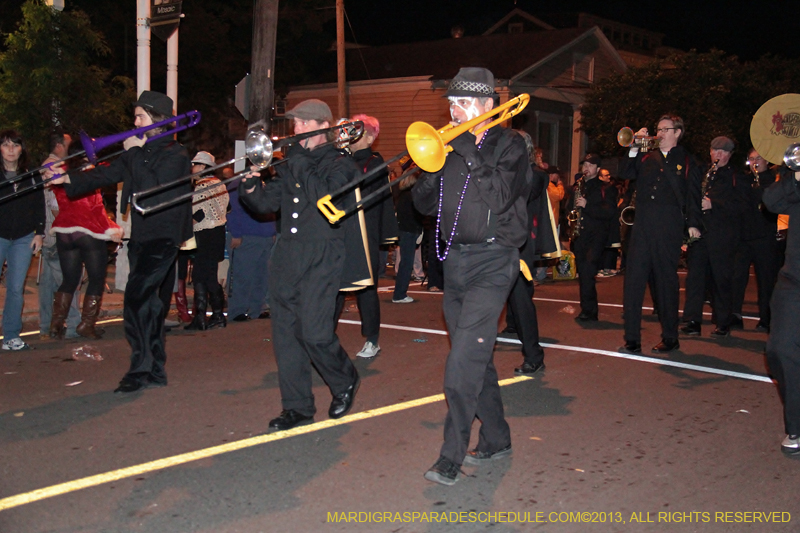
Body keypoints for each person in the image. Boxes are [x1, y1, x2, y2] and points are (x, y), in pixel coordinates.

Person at [412, 68, 531, 485]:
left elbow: (500, 195)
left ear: (486, 107)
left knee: (461, 362)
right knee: (476, 358)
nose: (453, 111)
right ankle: (497, 436)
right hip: (455, 261)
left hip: (496, 260)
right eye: (451, 104)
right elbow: (423, 205)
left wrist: (469, 151)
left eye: (461, 104)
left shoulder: (512, 146)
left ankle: (450, 455)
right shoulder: (451, 147)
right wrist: (430, 167)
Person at [48, 91, 192, 392]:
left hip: (164, 237)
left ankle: (138, 370)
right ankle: (155, 369)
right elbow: (106, 175)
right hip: (141, 236)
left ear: (159, 120)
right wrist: (67, 179)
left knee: (135, 300)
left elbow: (154, 187)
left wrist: (136, 152)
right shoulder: (136, 153)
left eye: (140, 116)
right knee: (151, 305)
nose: (134, 122)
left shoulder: (176, 155)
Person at [238, 99, 368, 432]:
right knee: (285, 335)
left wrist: (297, 163)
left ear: (321, 127)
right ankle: (297, 407)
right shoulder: (293, 162)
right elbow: (268, 204)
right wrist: (252, 186)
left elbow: (324, 196)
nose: (294, 131)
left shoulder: (341, 163)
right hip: (287, 254)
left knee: (314, 332)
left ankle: (343, 379)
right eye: (294, 125)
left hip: (323, 254)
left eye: (301, 125)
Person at [618, 115, 703, 353]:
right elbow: (625, 172)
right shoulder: (645, 156)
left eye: (665, 130)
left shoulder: (688, 161)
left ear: (677, 132)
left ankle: (670, 336)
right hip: (643, 224)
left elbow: (693, 196)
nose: (660, 133)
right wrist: (634, 145)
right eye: (658, 129)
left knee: (667, 283)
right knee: (633, 281)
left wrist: (694, 223)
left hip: (669, 226)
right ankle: (632, 338)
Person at [334, 114, 399, 359]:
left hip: (364, 232)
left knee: (366, 288)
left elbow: (366, 192)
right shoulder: (342, 159)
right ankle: (324, 337)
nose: (351, 136)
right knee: (335, 287)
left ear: (370, 136)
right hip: (341, 230)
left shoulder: (374, 162)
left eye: (356, 131)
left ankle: (372, 339)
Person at [49, 145, 123, 339]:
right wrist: (112, 228)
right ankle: (86, 325)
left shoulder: (63, 176)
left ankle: (56, 323)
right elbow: (96, 210)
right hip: (87, 232)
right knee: (97, 279)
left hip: (64, 231)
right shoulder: (89, 178)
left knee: (69, 279)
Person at [680, 137, 747, 337]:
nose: (719, 154)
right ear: (710, 152)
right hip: (700, 233)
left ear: (730, 154)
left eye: (724, 151)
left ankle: (723, 321)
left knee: (721, 279)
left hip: (723, 235)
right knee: (695, 279)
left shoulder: (737, 176)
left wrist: (714, 204)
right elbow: (690, 199)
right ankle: (692, 320)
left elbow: (742, 206)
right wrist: (691, 225)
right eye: (716, 150)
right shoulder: (700, 172)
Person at [507, 130, 556, 376]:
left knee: (521, 297)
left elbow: (523, 190)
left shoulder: (536, 175)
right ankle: (511, 327)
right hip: (501, 242)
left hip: (521, 245)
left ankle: (534, 356)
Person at [763, 166, 800, 455]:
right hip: (793, 281)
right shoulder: (795, 182)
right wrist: (796, 177)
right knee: (779, 350)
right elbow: (771, 201)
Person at [0, 130, 44, 351]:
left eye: (15, 145)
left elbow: (39, 204)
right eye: (6, 145)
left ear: (21, 149)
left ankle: (11, 336)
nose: (10, 150)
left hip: (24, 236)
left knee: (16, 288)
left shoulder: (31, 174)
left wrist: (40, 232)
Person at [729, 148, 780, 332]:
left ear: (767, 161)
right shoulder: (744, 180)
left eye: (758, 158)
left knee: (766, 280)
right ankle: (735, 315)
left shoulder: (773, 181)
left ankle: (766, 318)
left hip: (764, 237)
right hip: (743, 237)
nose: (755, 162)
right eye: (751, 159)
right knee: (737, 278)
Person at [39, 131, 81, 340]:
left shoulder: (47, 165)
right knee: (70, 279)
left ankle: (46, 324)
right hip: (59, 234)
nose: (70, 148)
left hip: (49, 233)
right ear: (58, 146)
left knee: (48, 283)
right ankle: (74, 324)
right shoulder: (55, 168)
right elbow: (57, 204)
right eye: (68, 144)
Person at [184, 151, 229, 331]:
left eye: (195, 165)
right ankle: (210, 315)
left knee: (203, 276)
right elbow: (228, 208)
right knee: (205, 275)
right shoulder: (220, 184)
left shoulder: (203, 186)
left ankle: (208, 316)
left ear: (203, 167)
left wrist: (184, 229)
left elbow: (199, 214)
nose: (193, 168)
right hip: (217, 233)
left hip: (205, 234)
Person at [571, 155, 619, 321]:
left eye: (590, 165)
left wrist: (587, 205)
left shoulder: (606, 188)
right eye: (584, 164)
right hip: (580, 235)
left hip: (597, 236)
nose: (586, 167)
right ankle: (587, 309)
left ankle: (590, 311)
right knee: (583, 273)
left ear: (598, 169)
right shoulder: (578, 186)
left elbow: (610, 212)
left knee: (588, 271)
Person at [226, 174, 277, 322]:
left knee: (261, 276)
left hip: (263, 236)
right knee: (242, 275)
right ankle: (237, 310)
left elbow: (269, 208)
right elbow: (232, 211)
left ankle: (257, 308)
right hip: (246, 236)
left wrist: (272, 231)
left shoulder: (262, 184)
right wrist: (236, 233)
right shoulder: (238, 185)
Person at [392, 157, 423, 304]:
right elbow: (415, 216)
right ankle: (399, 294)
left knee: (405, 262)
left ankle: (400, 292)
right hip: (409, 231)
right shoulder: (411, 196)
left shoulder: (402, 195)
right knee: (406, 263)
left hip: (405, 230)